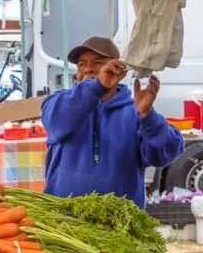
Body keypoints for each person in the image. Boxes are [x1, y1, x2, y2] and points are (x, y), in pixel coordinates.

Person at [42, 36, 184, 209]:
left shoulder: (135, 111)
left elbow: (165, 153)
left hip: (120, 225)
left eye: (97, 63)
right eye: (81, 64)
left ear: (118, 69)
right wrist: (97, 87)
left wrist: (148, 116)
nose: (88, 69)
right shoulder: (58, 102)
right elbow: (56, 120)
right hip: (63, 219)